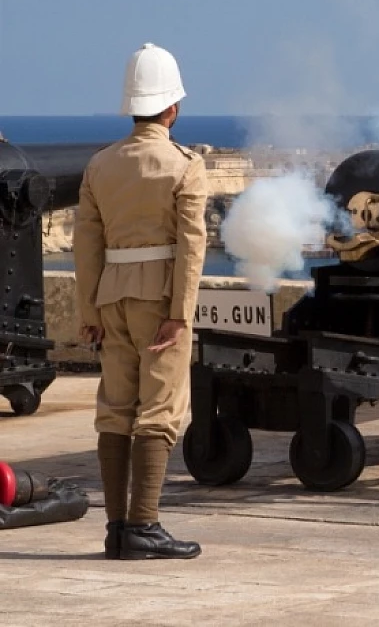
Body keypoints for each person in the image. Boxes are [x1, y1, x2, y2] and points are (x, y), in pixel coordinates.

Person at [75, 43, 209, 560]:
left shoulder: (101, 165)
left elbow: (88, 245)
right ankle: (145, 525)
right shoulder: (184, 166)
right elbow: (191, 245)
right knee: (159, 411)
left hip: (110, 296)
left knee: (114, 409)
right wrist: (180, 313)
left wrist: (88, 313)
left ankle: (116, 528)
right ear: (172, 108)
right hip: (160, 299)